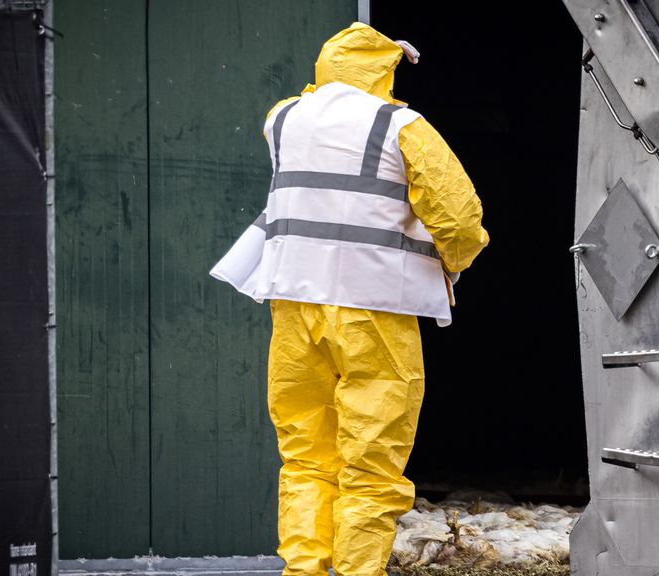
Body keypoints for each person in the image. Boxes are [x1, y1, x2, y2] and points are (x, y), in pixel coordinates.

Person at [210, 22, 489, 576]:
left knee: (306, 456)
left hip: (294, 304)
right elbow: (459, 220)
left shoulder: (282, 118)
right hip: (374, 309)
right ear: (384, 71)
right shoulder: (402, 125)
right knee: (372, 461)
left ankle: (304, 569)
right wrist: (453, 263)